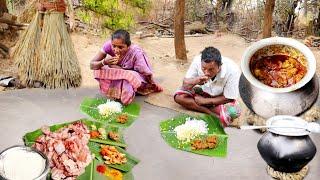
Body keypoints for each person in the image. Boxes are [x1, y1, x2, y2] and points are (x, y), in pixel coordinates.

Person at [90, 29, 162, 105]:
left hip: (135, 78)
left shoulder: (136, 52)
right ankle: (116, 92)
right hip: (120, 73)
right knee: (100, 69)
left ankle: (128, 95)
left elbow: (144, 73)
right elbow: (92, 64)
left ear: (128, 46)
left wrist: (120, 69)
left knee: (127, 76)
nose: (116, 50)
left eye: (121, 47)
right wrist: (104, 62)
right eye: (114, 46)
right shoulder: (108, 46)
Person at [174, 47, 241, 126]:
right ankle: (210, 113)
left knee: (234, 112)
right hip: (203, 93)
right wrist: (197, 80)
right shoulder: (197, 60)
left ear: (220, 66)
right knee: (178, 97)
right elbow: (185, 84)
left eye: (211, 69)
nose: (206, 72)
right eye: (204, 68)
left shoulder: (233, 70)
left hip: (220, 99)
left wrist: (205, 101)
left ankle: (201, 106)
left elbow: (229, 97)